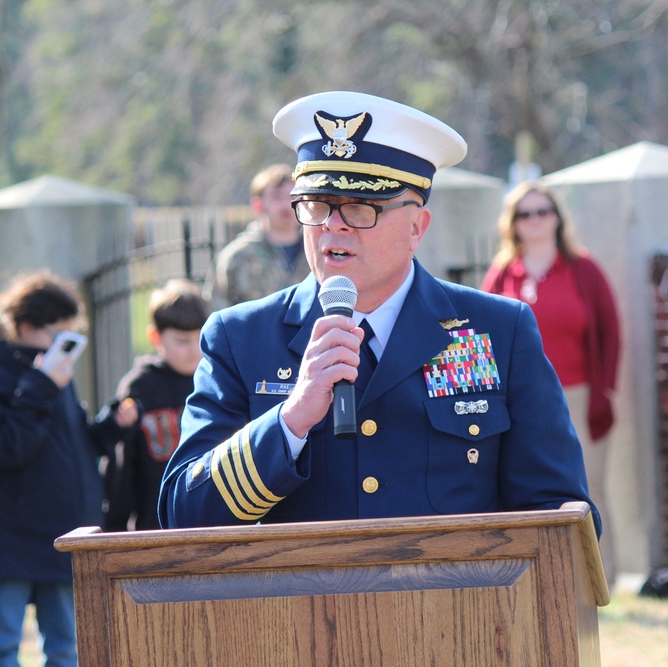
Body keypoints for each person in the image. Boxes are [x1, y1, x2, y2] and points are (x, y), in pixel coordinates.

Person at [160, 91, 599, 535]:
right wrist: (289, 421)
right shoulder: (240, 337)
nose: (333, 225)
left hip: (455, 602)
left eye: (360, 207)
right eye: (316, 206)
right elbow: (183, 514)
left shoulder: (499, 332)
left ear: (416, 227)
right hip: (300, 604)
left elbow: (560, 516)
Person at [0, 271, 137, 667]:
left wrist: (109, 427)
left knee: (67, 648)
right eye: (57, 335)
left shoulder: (53, 377)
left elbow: (73, 447)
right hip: (6, 542)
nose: (63, 347)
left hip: (60, 537)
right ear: (24, 327)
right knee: (1, 648)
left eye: (71, 337)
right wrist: (41, 385)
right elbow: (3, 447)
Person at [479, 181, 620, 584]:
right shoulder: (503, 273)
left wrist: (605, 389)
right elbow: (479, 335)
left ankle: (600, 576)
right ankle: (552, 576)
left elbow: (610, 331)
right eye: (525, 213)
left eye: (543, 211)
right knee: (531, 487)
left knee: (588, 486)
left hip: (579, 395)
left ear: (558, 218)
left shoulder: (582, 268)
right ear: (513, 224)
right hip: (521, 401)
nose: (535, 220)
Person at [103, 279, 208, 531]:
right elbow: (122, 465)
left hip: (215, 522)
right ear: (155, 336)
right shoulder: (140, 387)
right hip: (156, 526)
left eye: (200, 337)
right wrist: (114, 529)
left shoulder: (217, 378)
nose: (194, 349)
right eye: (182, 341)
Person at [203, 163, 311, 309]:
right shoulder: (236, 257)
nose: (286, 205)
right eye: (277, 197)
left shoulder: (317, 251)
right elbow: (215, 311)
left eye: (293, 196)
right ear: (258, 205)